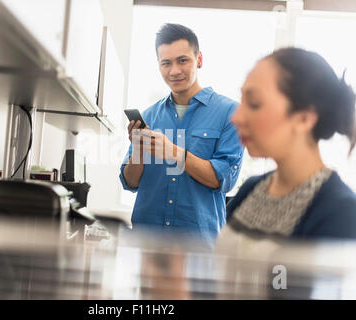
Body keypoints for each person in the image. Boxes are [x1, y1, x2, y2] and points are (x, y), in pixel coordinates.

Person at [119, 23, 244, 245]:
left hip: (199, 247)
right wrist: (138, 149)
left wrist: (174, 152)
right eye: (166, 63)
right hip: (147, 243)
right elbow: (130, 181)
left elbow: (223, 179)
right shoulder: (149, 116)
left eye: (182, 60)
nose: (174, 71)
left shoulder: (231, 113)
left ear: (199, 59)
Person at [219, 47, 356, 247]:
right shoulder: (251, 188)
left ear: (304, 118)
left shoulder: (340, 211)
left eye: (254, 103)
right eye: (242, 102)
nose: (236, 117)